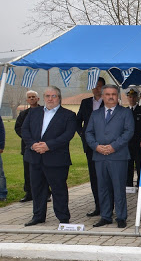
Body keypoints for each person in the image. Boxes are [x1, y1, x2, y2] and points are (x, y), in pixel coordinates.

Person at [21, 87, 76, 225]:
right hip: (35, 157)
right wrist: (33, 145)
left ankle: (63, 217)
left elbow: (68, 135)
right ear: (43, 97)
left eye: (53, 96)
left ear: (59, 97)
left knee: (59, 189)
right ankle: (38, 216)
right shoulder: (33, 112)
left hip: (56, 159)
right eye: (47, 96)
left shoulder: (68, 115)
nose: (50, 99)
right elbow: (25, 130)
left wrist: (48, 145)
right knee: (37, 189)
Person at [86, 85, 134, 228]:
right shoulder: (95, 114)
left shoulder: (125, 113)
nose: (111, 96)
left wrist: (113, 146)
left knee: (118, 187)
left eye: (113, 94)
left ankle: (121, 217)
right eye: (107, 94)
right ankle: (106, 216)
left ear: (117, 96)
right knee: (103, 187)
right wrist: (96, 146)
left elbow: (129, 132)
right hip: (99, 156)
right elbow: (88, 133)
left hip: (118, 156)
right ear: (102, 96)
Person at [77, 76, 105, 216]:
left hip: (105, 146)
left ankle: (107, 207)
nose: (96, 88)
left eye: (99, 86)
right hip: (90, 146)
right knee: (94, 177)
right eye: (94, 86)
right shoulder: (85, 102)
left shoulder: (108, 102)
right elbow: (78, 122)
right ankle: (98, 207)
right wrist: (83, 134)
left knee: (105, 178)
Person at [15, 90, 41, 202]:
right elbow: (18, 128)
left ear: (38, 99)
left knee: (42, 171)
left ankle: (46, 193)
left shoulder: (44, 111)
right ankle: (29, 193)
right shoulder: (23, 114)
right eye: (29, 97)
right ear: (27, 100)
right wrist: (29, 139)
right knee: (28, 171)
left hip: (42, 146)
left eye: (33, 97)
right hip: (27, 147)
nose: (31, 99)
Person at [125, 88, 141, 188]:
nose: (132, 99)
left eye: (133, 97)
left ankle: (140, 183)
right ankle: (128, 183)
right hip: (127, 142)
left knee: (139, 164)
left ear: (137, 98)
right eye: (130, 97)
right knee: (128, 164)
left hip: (138, 142)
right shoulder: (124, 111)